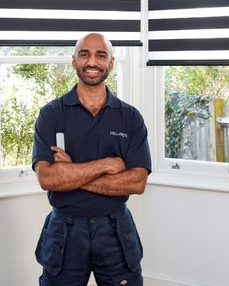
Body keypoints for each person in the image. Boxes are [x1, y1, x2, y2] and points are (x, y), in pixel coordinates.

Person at [32, 32, 151, 286]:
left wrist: (70, 173)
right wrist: (107, 165)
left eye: (100, 55)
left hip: (115, 229)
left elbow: (136, 183)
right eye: (84, 54)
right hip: (64, 230)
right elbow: (47, 178)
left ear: (110, 62)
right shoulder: (51, 114)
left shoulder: (130, 117)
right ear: (74, 61)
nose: (92, 62)